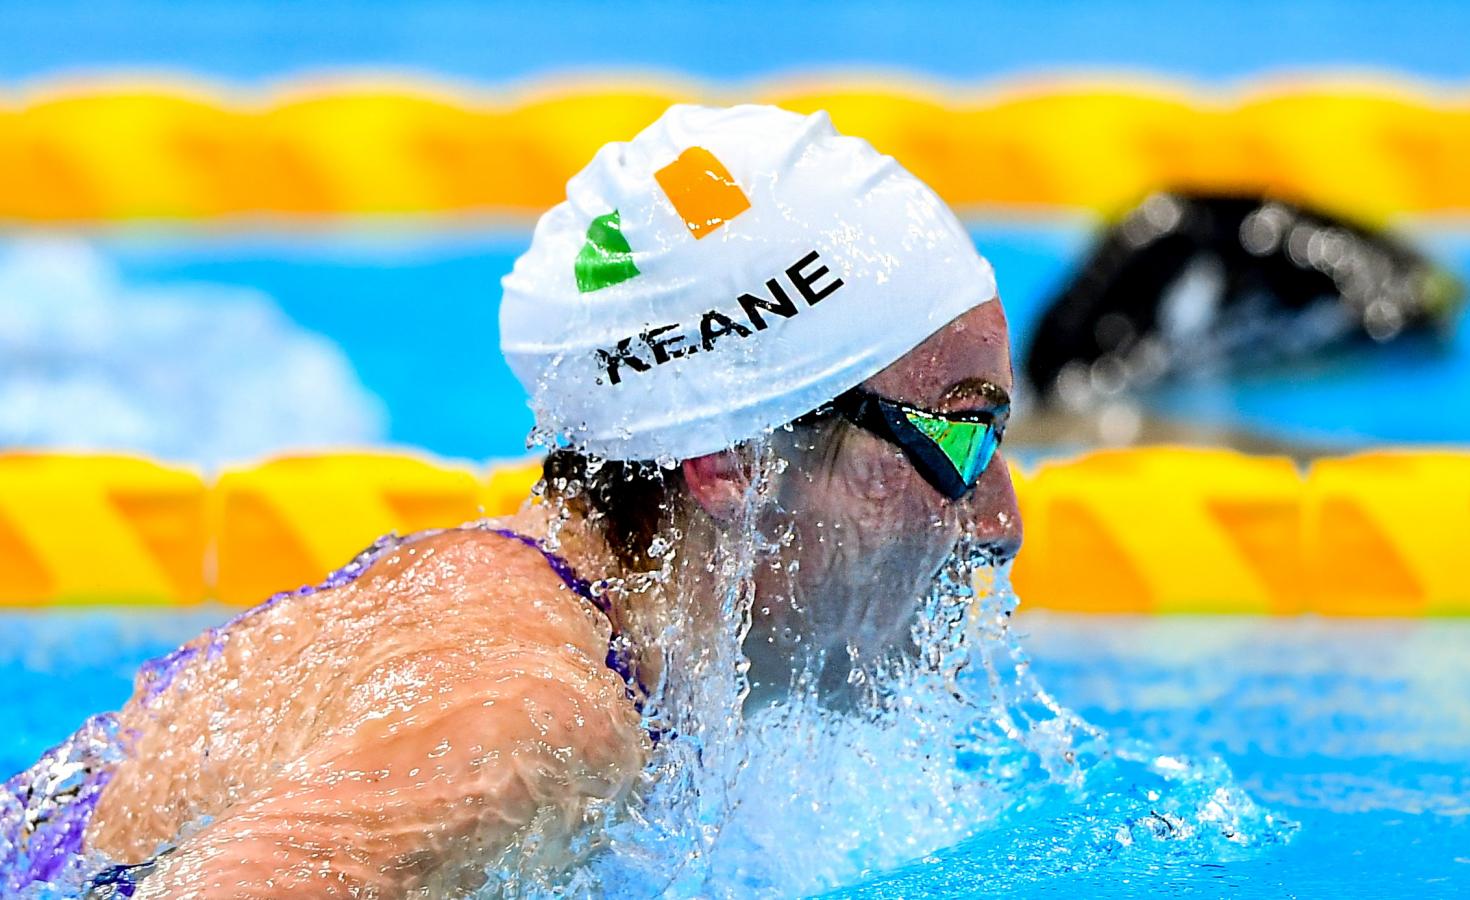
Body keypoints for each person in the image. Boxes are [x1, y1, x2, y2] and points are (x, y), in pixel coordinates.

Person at [1, 104, 1023, 897]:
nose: (998, 524)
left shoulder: (565, 639)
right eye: (957, 435)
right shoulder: (524, 727)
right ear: (725, 463)